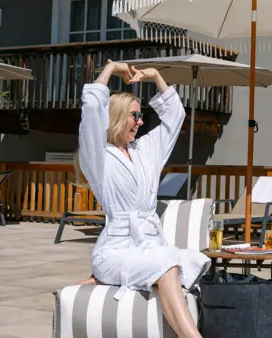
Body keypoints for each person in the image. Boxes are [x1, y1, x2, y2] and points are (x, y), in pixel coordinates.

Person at [73, 60, 208, 338]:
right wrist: (109, 70)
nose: (141, 122)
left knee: (189, 259)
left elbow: (175, 118)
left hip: (148, 245)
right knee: (167, 267)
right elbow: (91, 114)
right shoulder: (98, 157)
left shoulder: (144, 150)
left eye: (141, 115)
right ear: (117, 117)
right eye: (135, 116)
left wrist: (156, 76)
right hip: (116, 250)